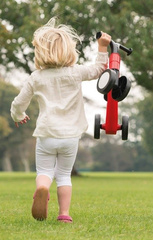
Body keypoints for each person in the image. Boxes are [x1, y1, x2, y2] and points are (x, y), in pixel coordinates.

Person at [10, 18, 111, 223]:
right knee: (64, 175)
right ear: (69, 50)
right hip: (70, 137)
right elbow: (99, 69)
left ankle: (42, 187)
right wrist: (102, 47)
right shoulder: (76, 73)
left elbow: (19, 103)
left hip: (47, 134)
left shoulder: (36, 77)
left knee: (45, 171)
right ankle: (64, 214)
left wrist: (18, 116)